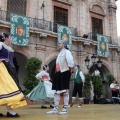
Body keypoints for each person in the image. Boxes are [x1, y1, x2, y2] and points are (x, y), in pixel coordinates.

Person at [0, 33, 27, 117]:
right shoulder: (0, 44)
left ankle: (10, 111)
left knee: (7, 89)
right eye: (10, 37)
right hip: (3, 69)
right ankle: (10, 111)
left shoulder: (8, 48)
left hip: (10, 68)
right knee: (7, 88)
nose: (10, 39)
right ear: (5, 38)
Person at [47, 39, 74, 115]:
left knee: (65, 91)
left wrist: (69, 70)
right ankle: (55, 108)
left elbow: (71, 62)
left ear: (64, 44)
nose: (58, 44)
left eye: (60, 43)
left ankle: (65, 109)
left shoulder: (67, 52)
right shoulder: (59, 53)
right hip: (58, 73)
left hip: (65, 72)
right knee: (57, 92)